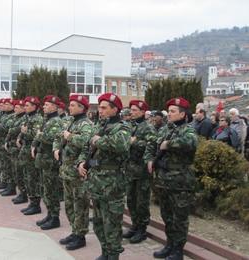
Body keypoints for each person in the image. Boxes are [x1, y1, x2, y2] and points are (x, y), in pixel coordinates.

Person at [77, 93, 131, 260]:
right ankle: (105, 252)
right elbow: (88, 149)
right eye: (99, 107)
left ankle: (113, 255)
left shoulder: (122, 127)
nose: (100, 111)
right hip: (96, 182)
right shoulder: (98, 127)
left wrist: (97, 141)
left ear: (115, 110)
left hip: (113, 184)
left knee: (112, 224)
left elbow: (120, 145)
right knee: (99, 223)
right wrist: (81, 163)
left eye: (104, 108)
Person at [145, 97, 198, 260]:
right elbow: (154, 144)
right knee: (167, 215)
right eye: (169, 111)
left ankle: (178, 250)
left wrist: (169, 144)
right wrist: (151, 159)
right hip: (164, 180)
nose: (169, 114)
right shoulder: (167, 129)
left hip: (180, 182)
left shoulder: (188, 130)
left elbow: (191, 143)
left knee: (179, 218)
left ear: (182, 114)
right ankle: (169, 244)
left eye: (173, 111)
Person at [54, 94, 93, 250]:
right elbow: (58, 136)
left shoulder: (86, 124)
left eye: (73, 105)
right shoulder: (70, 121)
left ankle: (81, 235)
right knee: (69, 204)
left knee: (80, 205)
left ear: (81, 107)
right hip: (66, 170)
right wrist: (56, 148)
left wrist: (70, 137)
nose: (69, 107)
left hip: (77, 172)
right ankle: (74, 231)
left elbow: (86, 143)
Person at [123, 100, 156, 244]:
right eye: (131, 109)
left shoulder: (148, 127)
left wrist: (134, 142)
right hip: (130, 170)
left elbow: (153, 145)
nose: (132, 112)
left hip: (142, 172)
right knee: (130, 200)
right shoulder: (130, 126)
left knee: (141, 201)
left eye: (135, 110)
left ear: (143, 112)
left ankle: (142, 229)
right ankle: (134, 225)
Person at [32, 95, 63, 230]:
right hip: (44, 160)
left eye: (47, 105)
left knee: (52, 190)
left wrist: (38, 134)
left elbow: (52, 139)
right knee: (46, 190)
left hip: (50, 161)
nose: (44, 107)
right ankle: (50, 214)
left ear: (55, 107)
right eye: (44, 105)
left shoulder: (56, 121)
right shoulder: (48, 120)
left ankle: (55, 217)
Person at [17, 96, 43, 215]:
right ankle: (31, 202)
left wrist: (25, 131)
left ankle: (36, 204)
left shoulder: (37, 118)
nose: (25, 107)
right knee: (27, 177)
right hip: (25, 149)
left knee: (32, 178)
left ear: (34, 106)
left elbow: (36, 135)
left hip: (31, 152)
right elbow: (22, 131)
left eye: (27, 105)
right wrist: (20, 136)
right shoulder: (28, 117)